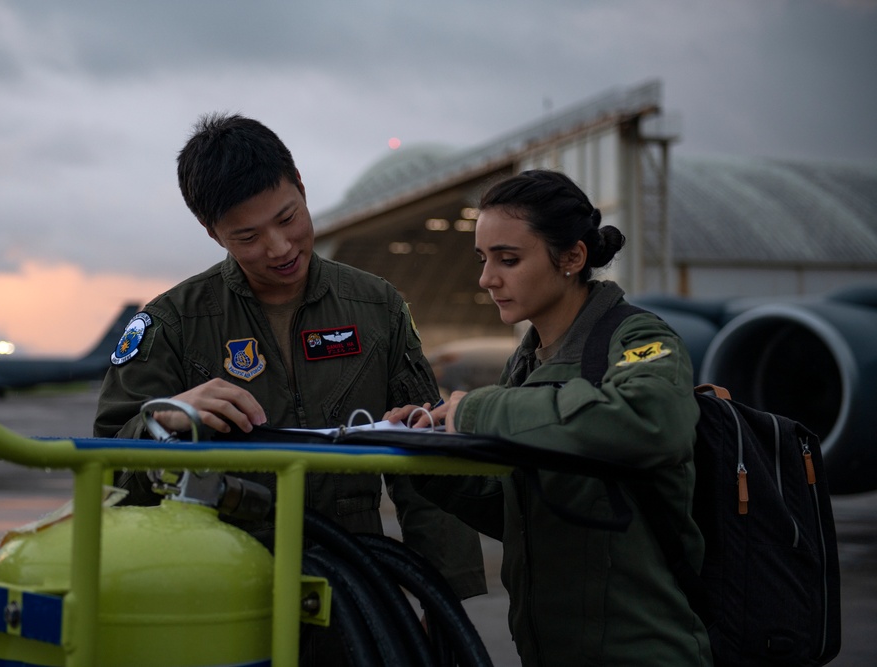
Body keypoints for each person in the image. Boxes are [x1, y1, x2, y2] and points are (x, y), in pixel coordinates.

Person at [93, 112, 486, 664]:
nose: (278, 247)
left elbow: (429, 457)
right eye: (247, 237)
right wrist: (165, 418)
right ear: (213, 233)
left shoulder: (377, 309)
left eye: (288, 218)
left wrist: (442, 599)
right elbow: (109, 463)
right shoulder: (173, 324)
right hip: (219, 586)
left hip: (354, 591)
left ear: (301, 186)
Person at [387, 169, 713, 665]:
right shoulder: (528, 362)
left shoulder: (637, 337)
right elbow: (529, 510)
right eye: (483, 259)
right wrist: (427, 453)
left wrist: (476, 409)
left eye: (509, 259)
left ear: (572, 258)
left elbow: (653, 420)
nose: (486, 278)